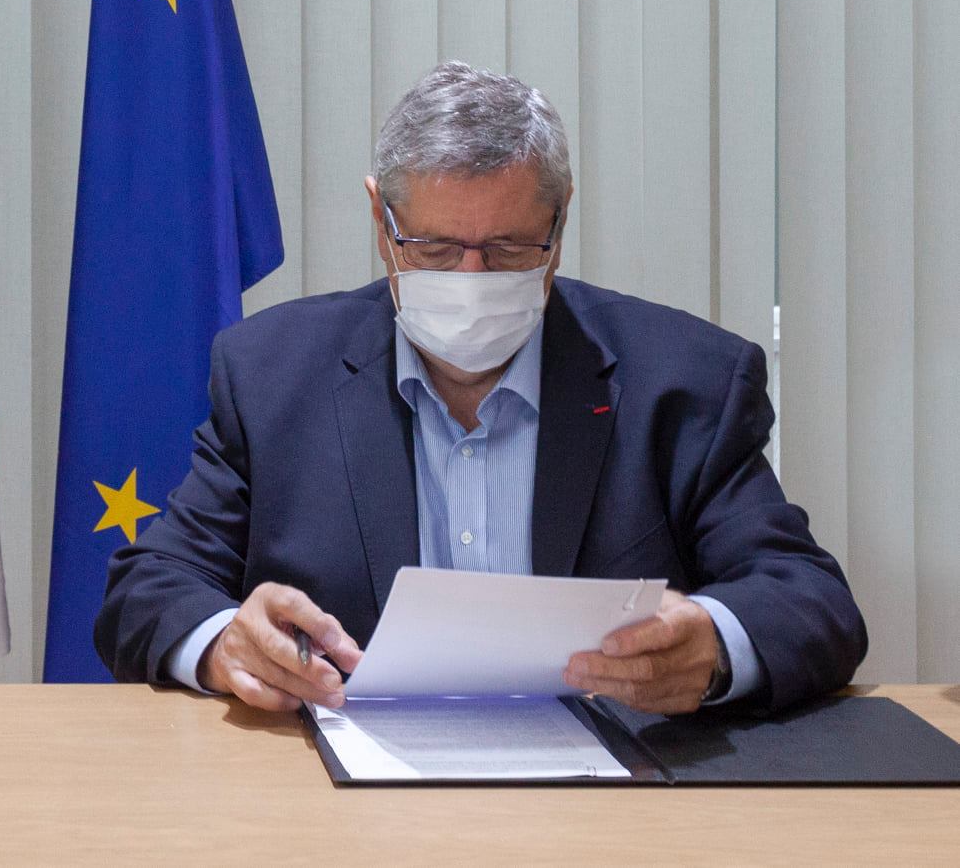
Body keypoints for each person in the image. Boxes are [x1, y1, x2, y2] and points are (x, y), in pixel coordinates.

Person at [95, 62, 866, 715]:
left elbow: (811, 598)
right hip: (345, 798)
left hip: (607, 800)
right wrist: (227, 641)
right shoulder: (273, 373)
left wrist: (713, 643)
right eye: (433, 248)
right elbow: (147, 588)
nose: (471, 279)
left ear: (558, 226)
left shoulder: (683, 380)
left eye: (507, 248)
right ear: (381, 221)